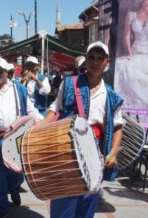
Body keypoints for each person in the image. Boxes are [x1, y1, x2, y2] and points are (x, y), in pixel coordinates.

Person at [42, 41, 124, 218]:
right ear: (86, 60)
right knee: (63, 202)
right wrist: (37, 129)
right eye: (91, 57)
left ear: (106, 63)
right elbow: (54, 109)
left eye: (100, 58)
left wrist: (114, 153)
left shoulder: (111, 95)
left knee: (87, 204)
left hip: (94, 155)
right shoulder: (69, 84)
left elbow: (118, 126)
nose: (95, 62)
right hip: (66, 152)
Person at [0, 57, 43, 218]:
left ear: (6, 72)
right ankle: (1, 207)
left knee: (17, 173)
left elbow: (30, 110)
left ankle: (14, 189)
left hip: (18, 138)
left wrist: (42, 121)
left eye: (0, 71)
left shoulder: (19, 89)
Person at [114, 0, 148, 110]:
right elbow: (126, 36)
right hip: (136, 52)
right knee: (121, 65)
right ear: (141, 0)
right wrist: (128, 53)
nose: (146, 1)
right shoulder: (131, 15)